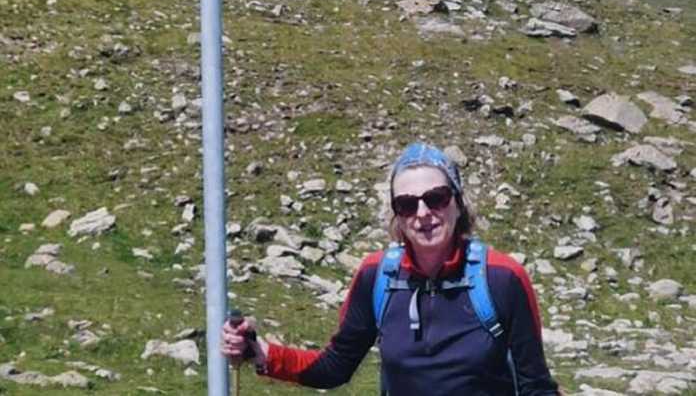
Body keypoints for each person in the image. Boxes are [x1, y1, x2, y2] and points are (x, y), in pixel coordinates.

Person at [222, 142, 560, 395]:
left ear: (458, 203)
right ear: (397, 215)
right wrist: (260, 351)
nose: (423, 213)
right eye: (407, 204)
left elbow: (536, 386)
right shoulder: (378, 276)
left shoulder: (502, 277)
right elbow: (335, 366)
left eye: (436, 198)